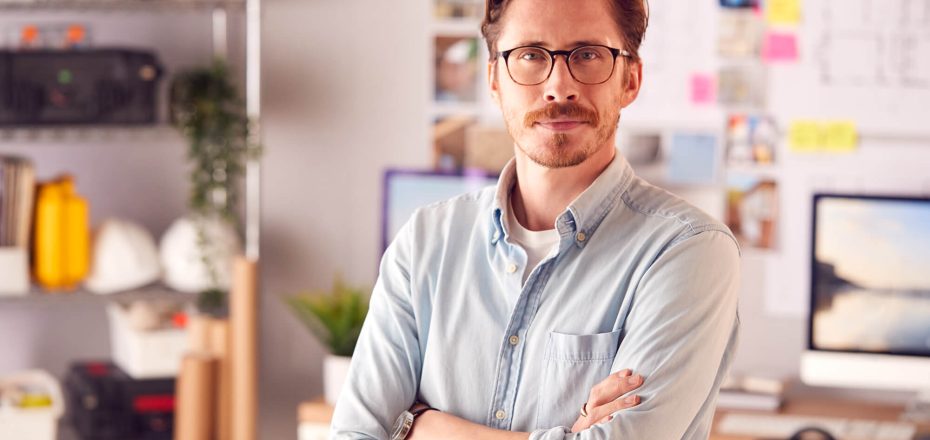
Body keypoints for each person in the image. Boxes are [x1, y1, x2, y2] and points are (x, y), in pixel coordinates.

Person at [331, 0, 740, 438]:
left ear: (631, 79)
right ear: (493, 78)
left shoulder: (688, 248)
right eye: (529, 55)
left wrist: (425, 428)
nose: (558, 87)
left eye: (587, 55)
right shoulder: (426, 241)